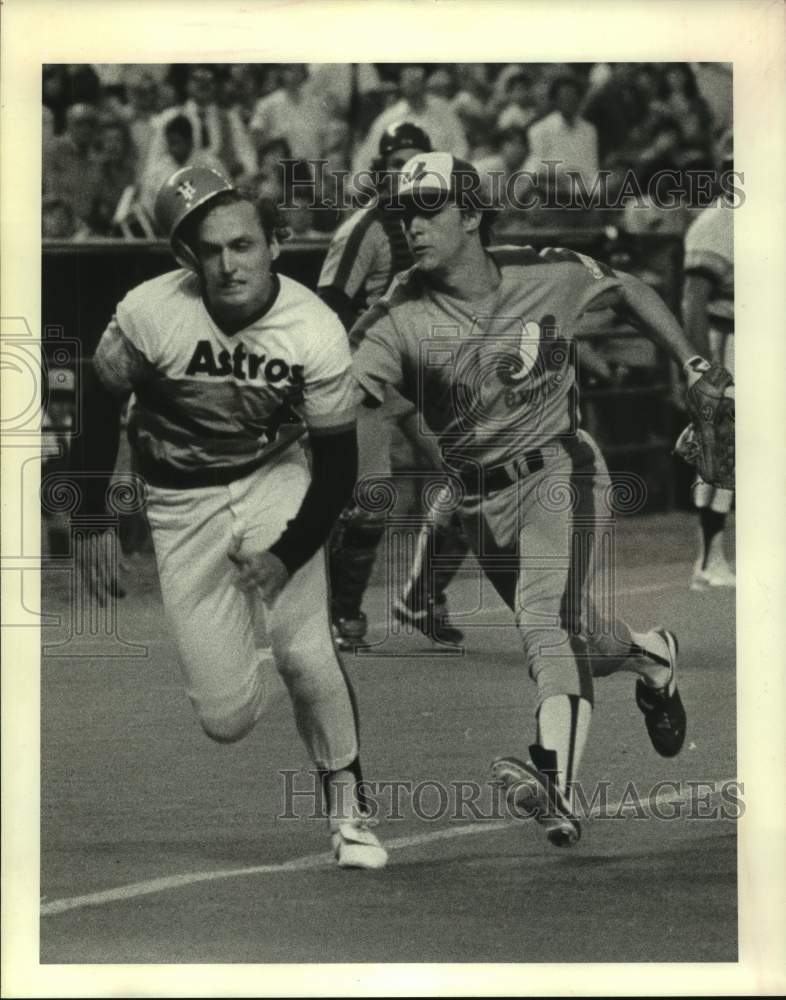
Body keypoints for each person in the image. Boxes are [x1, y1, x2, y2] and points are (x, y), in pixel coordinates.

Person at [350, 152, 708, 847]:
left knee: (545, 624)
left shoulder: (545, 270)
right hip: (480, 504)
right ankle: (652, 659)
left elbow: (628, 287)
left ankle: (555, 780)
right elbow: (342, 395)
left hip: (561, 473)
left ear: (473, 215)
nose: (411, 224)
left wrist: (690, 362)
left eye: (429, 207)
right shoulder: (397, 314)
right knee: (583, 639)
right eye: (402, 211)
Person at [72, 165, 387, 870]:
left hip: (275, 476)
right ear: (188, 256)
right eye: (208, 249)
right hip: (181, 503)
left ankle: (348, 803)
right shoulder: (149, 312)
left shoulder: (313, 329)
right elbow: (98, 403)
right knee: (226, 720)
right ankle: (281, 668)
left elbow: (337, 469)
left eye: (242, 244)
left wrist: (288, 553)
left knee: (306, 650)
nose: (227, 263)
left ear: (274, 241)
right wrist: (90, 514)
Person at [318, 122, 467, 650]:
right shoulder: (366, 228)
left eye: (416, 160)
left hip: (420, 373)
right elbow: (331, 304)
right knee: (371, 498)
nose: (404, 171)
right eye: (395, 162)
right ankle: (341, 613)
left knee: (472, 476)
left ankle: (423, 592)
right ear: (380, 169)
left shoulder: (440, 225)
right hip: (369, 372)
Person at [681, 129, 736, 590]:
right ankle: (708, 558)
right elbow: (693, 301)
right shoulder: (718, 221)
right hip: (727, 342)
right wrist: (701, 368)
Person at [144, 65, 256, 181]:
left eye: (209, 80)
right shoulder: (170, 117)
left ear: (216, 85)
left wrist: (245, 178)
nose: (203, 85)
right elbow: (155, 160)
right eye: (197, 80)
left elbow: (247, 156)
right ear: (187, 84)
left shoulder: (230, 119)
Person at [352, 65, 468, 175]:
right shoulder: (389, 118)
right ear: (401, 84)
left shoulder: (443, 110)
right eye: (409, 81)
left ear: (424, 82)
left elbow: (460, 146)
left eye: (417, 81)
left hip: (445, 180)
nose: (414, 85)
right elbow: (366, 158)